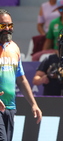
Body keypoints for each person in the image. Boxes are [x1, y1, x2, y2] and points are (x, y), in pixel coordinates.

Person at [0, 9, 42, 141]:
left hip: (10, 107)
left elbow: (21, 79)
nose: (7, 28)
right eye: (3, 25)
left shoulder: (14, 48)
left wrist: (34, 104)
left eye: (10, 25)